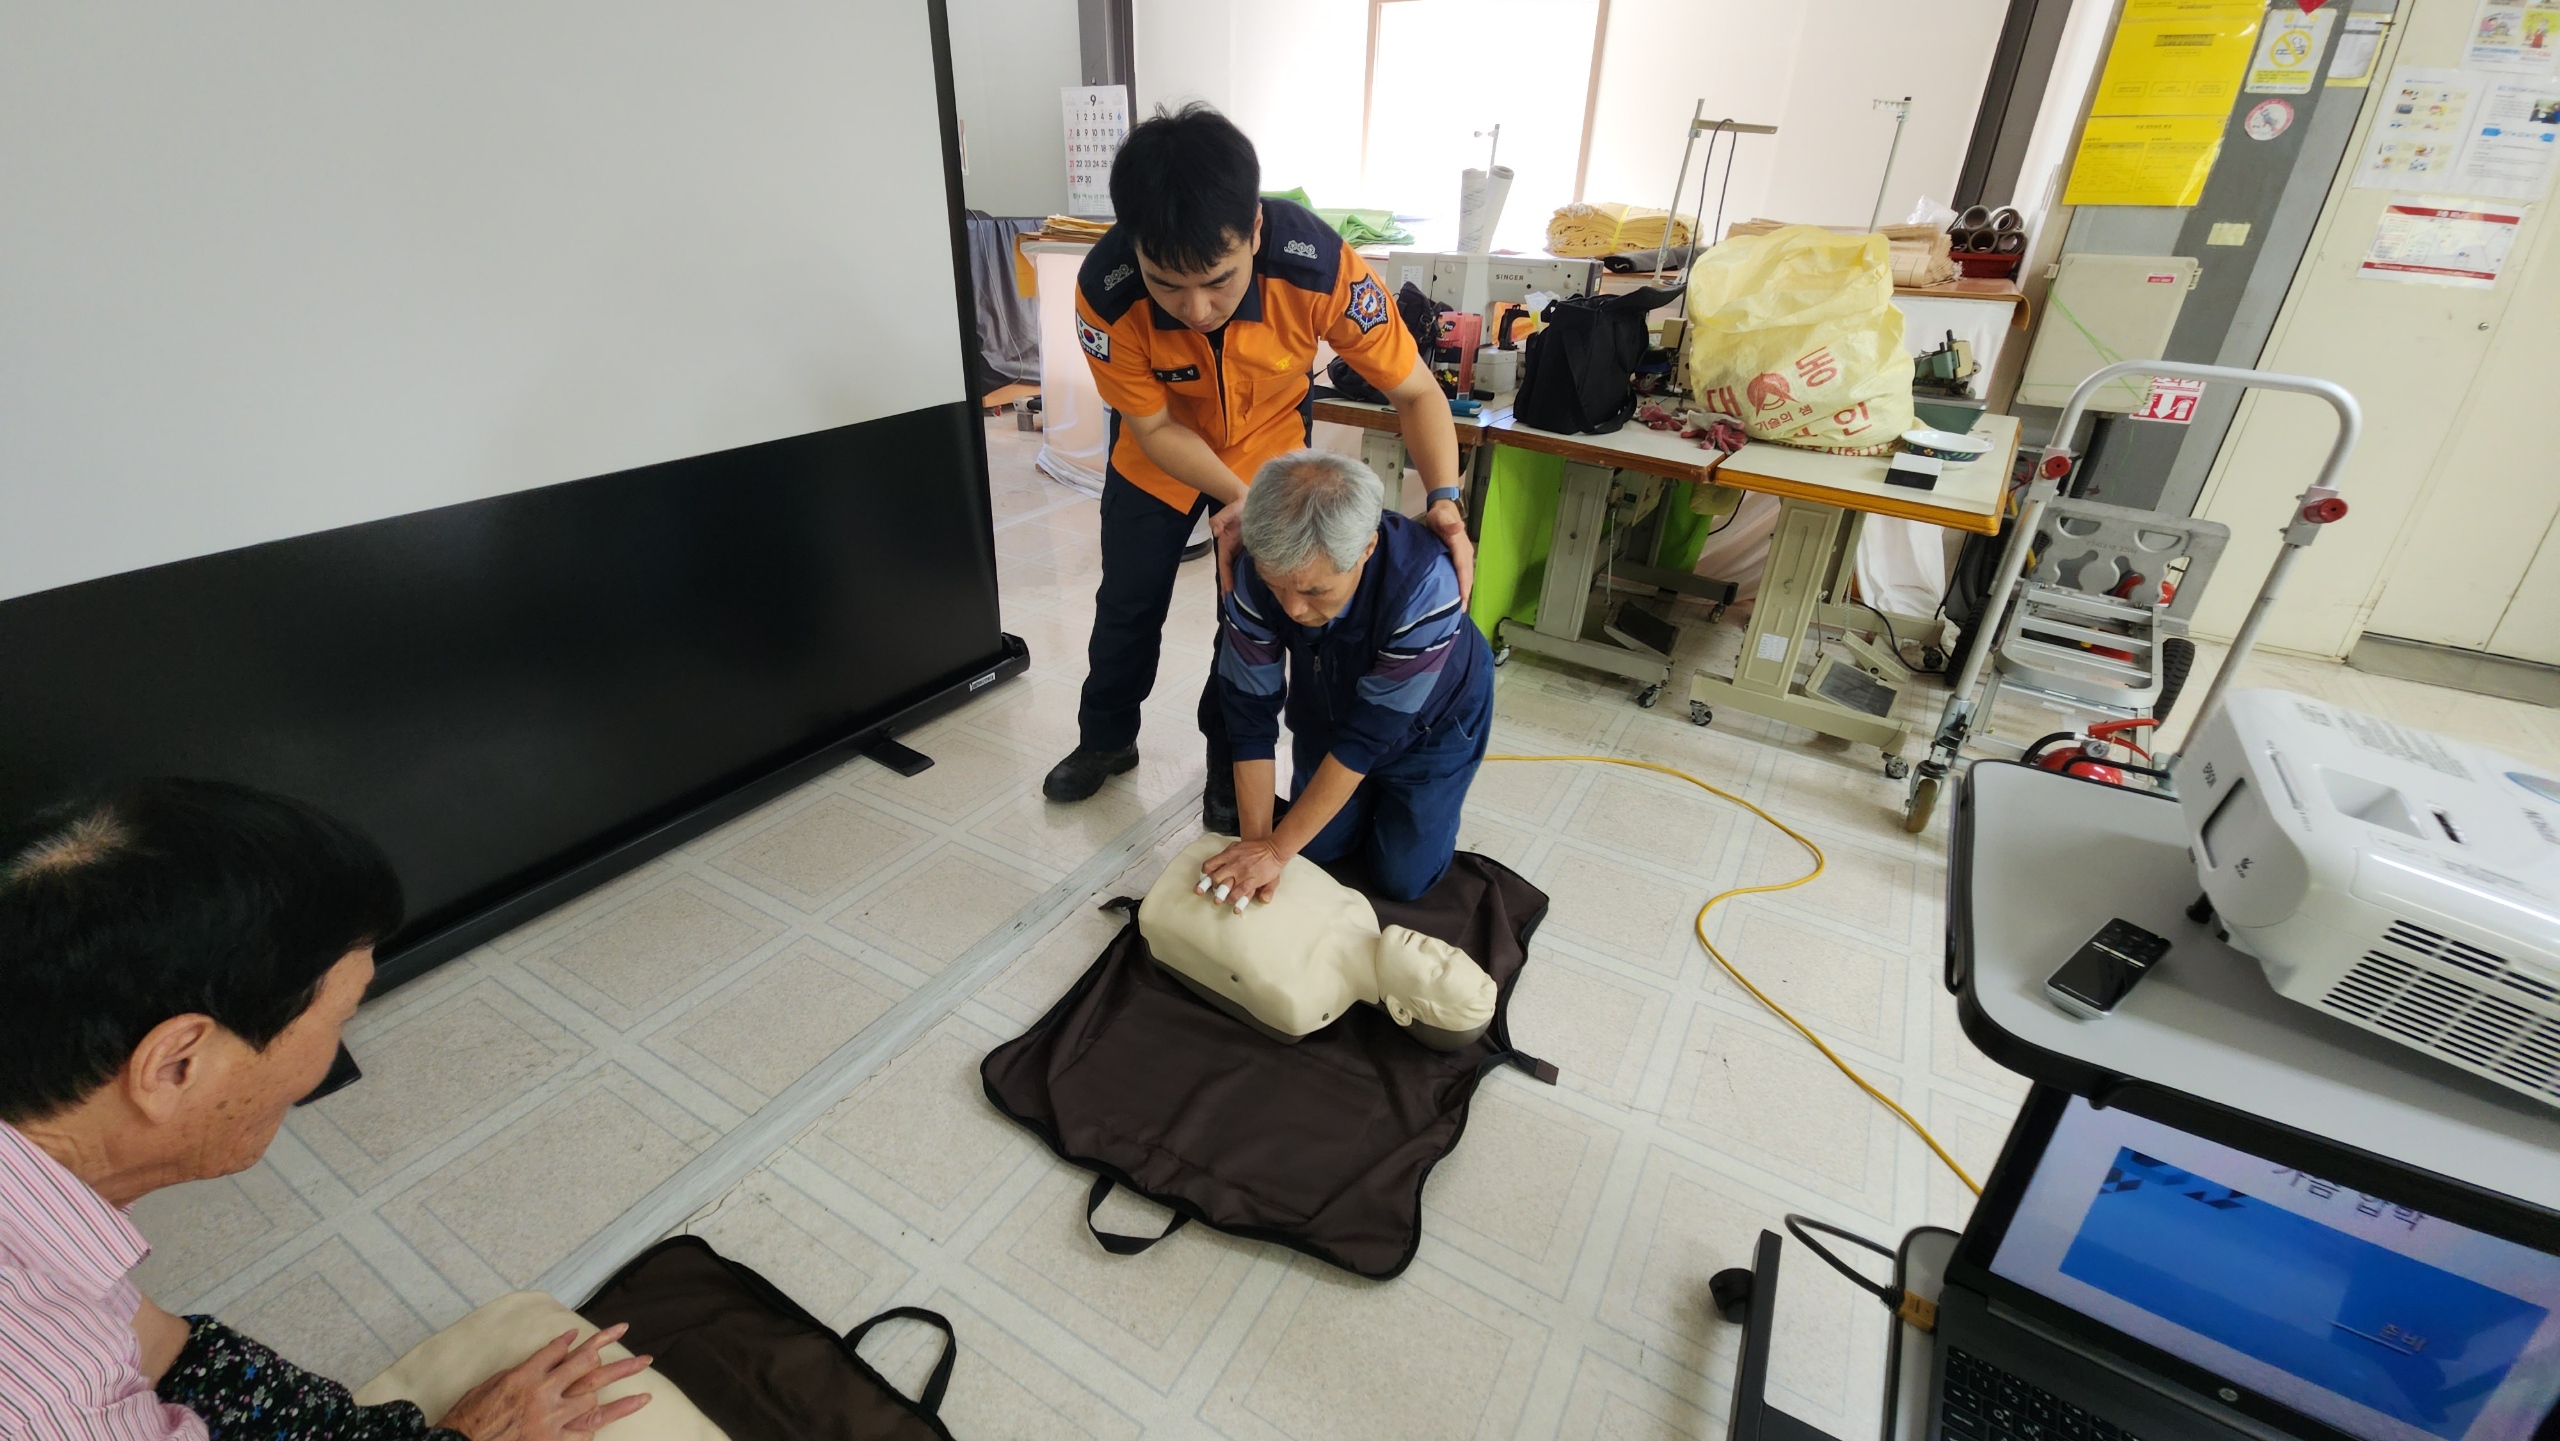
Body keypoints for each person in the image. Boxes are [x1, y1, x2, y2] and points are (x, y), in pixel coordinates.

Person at [0, 779, 652, 1441]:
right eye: (339, 1018)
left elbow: (157, 1346)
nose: (331, 1059)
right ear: (177, 1064)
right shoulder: (52, 1401)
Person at [1041, 103, 1474, 834]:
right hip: (1158, 457)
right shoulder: (1106, 293)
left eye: (1218, 279)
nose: (1196, 308)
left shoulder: (1319, 267)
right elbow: (1151, 426)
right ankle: (1106, 739)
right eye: (1167, 284)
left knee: (1245, 612)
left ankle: (1225, 764)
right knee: (1128, 604)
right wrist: (1238, 496)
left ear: (1256, 230)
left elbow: (1416, 391)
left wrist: (1444, 498)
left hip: (1270, 452)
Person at [1200, 450, 1494, 905]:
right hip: (1330, 704)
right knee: (1314, 851)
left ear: (1367, 550)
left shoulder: (1427, 586)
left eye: (1315, 591)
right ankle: (1355, 800)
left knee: (1402, 879)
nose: (1293, 609)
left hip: (1433, 726)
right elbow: (1249, 719)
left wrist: (1276, 851)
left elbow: (1365, 739)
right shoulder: (1251, 571)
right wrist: (1256, 850)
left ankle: (1401, 801)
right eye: (1277, 587)